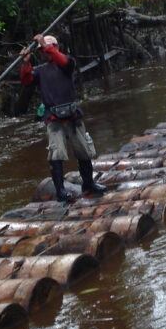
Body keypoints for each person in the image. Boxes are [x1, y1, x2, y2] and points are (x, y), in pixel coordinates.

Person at [19, 33, 105, 202]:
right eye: (43, 49)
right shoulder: (40, 71)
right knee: (56, 154)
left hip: (72, 115)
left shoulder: (68, 63)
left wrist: (44, 43)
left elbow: (62, 61)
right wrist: (25, 62)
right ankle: (60, 191)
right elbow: (27, 80)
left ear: (56, 47)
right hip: (54, 118)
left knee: (83, 151)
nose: (46, 51)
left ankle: (88, 184)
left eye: (49, 47)